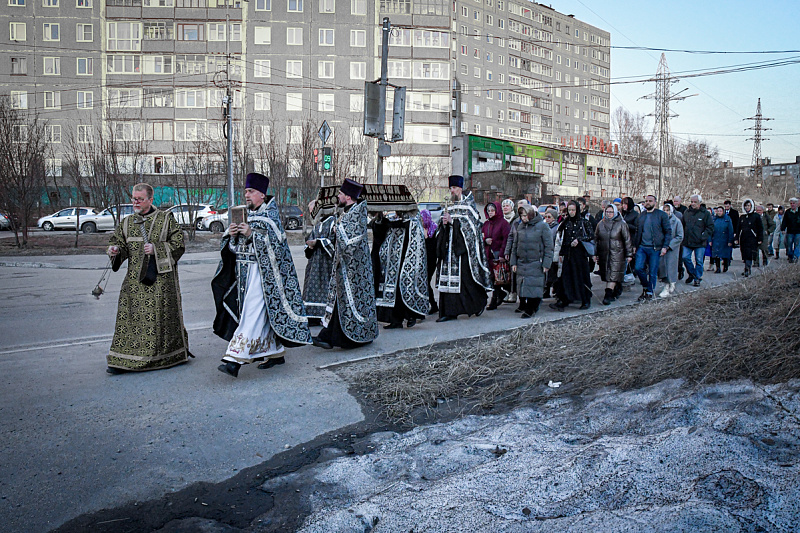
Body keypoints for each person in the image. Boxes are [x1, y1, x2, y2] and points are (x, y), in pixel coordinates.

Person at [212, 173, 312, 377]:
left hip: (264, 276)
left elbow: (276, 248)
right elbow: (234, 248)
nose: (246, 195)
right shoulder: (247, 216)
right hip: (245, 275)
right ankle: (275, 353)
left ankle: (234, 360)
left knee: (251, 314)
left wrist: (251, 235)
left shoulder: (271, 218)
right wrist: (231, 236)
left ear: (262, 195)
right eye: (246, 191)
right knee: (261, 315)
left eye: (251, 192)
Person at [106, 183, 190, 374]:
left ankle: (163, 356)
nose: (135, 202)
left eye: (140, 199)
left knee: (158, 321)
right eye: (133, 198)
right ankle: (124, 358)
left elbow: (179, 244)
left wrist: (157, 249)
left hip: (160, 282)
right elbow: (117, 242)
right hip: (134, 282)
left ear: (151, 200)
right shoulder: (127, 222)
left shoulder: (166, 219)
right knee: (129, 318)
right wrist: (114, 250)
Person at [313, 178, 378, 349]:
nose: (338, 196)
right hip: (343, 267)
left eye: (341, 194)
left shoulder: (357, 213)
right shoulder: (347, 212)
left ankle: (347, 337)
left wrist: (338, 229)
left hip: (355, 269)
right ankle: (328, 336)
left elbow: (352, 241)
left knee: (351, 303)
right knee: (340, 302)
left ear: (348, 197)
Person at [435, 175, 492, 322]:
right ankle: (449, 312)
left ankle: (477, 304)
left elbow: (471, 227)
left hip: (463, 251)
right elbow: (442, 226)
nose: (451, 191)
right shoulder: (449, 206)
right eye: (450, 188)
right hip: (449, 250)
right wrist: (445, 223)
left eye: (453, 188)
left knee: (466, 281)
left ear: (460, 188)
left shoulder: (468, 206)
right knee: (448, 281)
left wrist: (454, 221)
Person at [371, 211, 429, 329]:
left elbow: (415, 241)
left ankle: (410, 316)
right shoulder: (391, 219)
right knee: (394, 292)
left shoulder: (412, 219)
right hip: (392, 263)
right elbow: (379, 233)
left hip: (406, 261)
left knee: (406, 289)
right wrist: (380, 218)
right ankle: (395, 320)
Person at [510, 204, 553, 318]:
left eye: (525, 216)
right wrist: (513, 262)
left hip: (536, 262)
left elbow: (549, 246)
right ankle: (526, 306)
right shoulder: (520, 227)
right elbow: (515, 245)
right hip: (522, 261)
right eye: (521, 216)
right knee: (523, 286)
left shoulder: (542, 227)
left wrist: (546, 263)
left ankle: (531, 308)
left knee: (535, 286)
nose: (523, 218)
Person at [551, 200, 594, 311]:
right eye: (569, 210)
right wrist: (561, 253)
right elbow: (564, 239)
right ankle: (564, 299)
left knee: (581, 277)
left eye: (573, 210)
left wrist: (579, 240)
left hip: (580, 255)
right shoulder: (566, 223)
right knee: (565, 277)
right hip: (568, 254)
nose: (571, 212)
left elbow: (591, 235)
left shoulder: (584, 222)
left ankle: (585, 300)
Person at [633, 194, 672, 302]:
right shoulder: (641, 216)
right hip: (642, 247)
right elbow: (638, 231)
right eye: (646, 201)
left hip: (655, 248)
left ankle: (649, 292)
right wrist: (635, 246)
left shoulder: (661, 215)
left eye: (650, 201)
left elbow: (668, 231)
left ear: (655, 202)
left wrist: (665, 246)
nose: (648, 203)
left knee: (653, 271)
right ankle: (646, 287)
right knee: (638, 268)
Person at [302, 200, 336, 325]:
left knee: (324, 289)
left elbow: (334, 242)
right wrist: (309, 246)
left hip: (326, 264)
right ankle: (311, 315)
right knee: (310, 289)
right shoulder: (317, 224)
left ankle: (323, 315)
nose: (311, 214)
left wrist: (319, 242)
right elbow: (310, 240)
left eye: (312, 211)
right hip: (313, 264)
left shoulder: (332, 221)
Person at [593, 203, 633, 305]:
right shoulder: (600, 224)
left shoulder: (621, 224)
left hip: (618, 254)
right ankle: (616, 289)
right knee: (608, 275)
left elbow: (627, 240)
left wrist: (629, 254)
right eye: (607, 212)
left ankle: (608, 294)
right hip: (604, 254)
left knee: (613, 275)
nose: (609, 214)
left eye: (611, 212)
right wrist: (595, 253)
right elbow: (596, 239)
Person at [483, 201, 511, 310]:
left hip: (498, 253)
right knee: (492, 277)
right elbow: (482, 236)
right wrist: (485, 240)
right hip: (488, 253)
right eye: (488, 211)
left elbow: (507, 239)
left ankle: (494, 300)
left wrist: (502, 253)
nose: (490, 213)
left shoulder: (503, 223)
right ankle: (500, 294)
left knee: (498, 278)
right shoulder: (486, 224)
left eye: (492, 210)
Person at [681, 194, 714, 287]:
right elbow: (683, 225)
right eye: (691, 201)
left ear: (700, 203)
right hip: (687, 241)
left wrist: (703, 236)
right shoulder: (687, 212)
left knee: (699, 261)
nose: (692, 204)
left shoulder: (706, 213)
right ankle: (692, 274)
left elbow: (710, 227)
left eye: (695, 202)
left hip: (700, 242)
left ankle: (697, 278)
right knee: (685, 258)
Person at [503, 199, 529, 305]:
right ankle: (515, 295)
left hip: (528, 253)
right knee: (514, 275)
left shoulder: (534, 222)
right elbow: (511, 237)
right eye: (519, 206)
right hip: (516, 251)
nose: (520, 208)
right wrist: (507, 251)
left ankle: (528, 299)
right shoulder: (516, 222)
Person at [657, 203, 684, 298]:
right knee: (661, 267)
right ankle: (669, 282)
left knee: (669, 268)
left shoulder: (676, 221)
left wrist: (669, 245)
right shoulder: (659, 221)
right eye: (664, 210)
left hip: (671, 249)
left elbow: (680, 236)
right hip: (660, 248)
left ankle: (667, 286)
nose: (666, 212)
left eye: (668, 210)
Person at [736, 199, 763, 277]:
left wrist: (760, 239)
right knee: (744, 253)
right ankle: (746, 267)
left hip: (752, 238)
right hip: (743, 238)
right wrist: (736, 238)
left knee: (749, 254)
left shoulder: (756, 216)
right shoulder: (742, 217)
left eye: (748, 206)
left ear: (752, 206)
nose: (747, 207)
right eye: (746, 206)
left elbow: (760, 228)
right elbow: (738, 229)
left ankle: (747, 269)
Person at [420, 209, 439, 315]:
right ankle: (429, 304)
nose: (421, 221)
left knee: (426, 282)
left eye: (422, 219)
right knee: (422, 283)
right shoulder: (420, 229)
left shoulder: (434, 229)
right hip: (422, 260)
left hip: (431, 260)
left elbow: (434, 246)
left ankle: (433, 304)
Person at [710, 206, 734, 273]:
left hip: (724, 239)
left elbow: (730, 230)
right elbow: (710, 230)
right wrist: (710, 240)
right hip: (716, 238)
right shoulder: (714, 219)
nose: (719, 212)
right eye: (718, 211)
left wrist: (730, 240)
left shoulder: (727, 219)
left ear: (723, 212)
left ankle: (726, 265)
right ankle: (718, 268)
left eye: (721, 211)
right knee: (716, 254)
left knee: (725, 254)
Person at [542, 208, 560, 299]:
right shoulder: (544, 226)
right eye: (546, 216)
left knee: (553, 273)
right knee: (546, 274)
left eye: (549, 217)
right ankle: (546, 290)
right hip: (545, 253)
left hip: (553, 253)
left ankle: (556, 290)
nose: (547, 218)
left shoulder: (557, 228)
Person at [781, 197, 800, 263]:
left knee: (797, 245)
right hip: (790, 231)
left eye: (794, 203)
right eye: (791, 203)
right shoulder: (788, 212)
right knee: (789, 246)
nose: (792, 204)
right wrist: (783, 228)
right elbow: (784, 221)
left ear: (797, 204)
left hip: (798, 231)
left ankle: (795, 257)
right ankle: (790, 256)